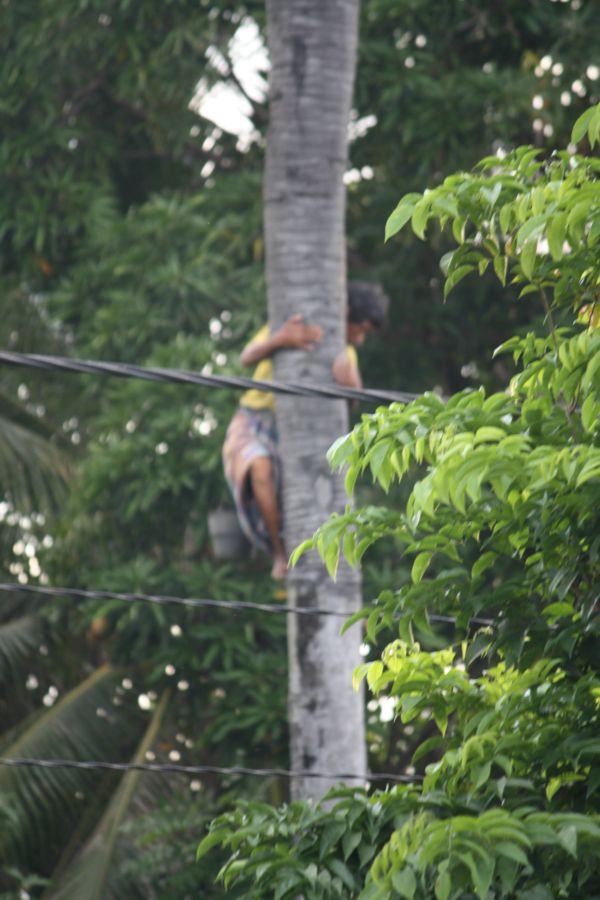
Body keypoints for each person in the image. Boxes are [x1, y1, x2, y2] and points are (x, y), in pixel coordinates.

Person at [222, 282, 389, 579]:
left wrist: (350, 386)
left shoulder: (345, 353)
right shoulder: (296, 323)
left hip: (295, 435)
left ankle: (295, 549)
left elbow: (351, 402)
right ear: (347, 313)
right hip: (254, 419)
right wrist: (281, 339)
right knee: (257, 467)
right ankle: (278, 552)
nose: (361, 339)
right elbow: (247, 357)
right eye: (360, 329)